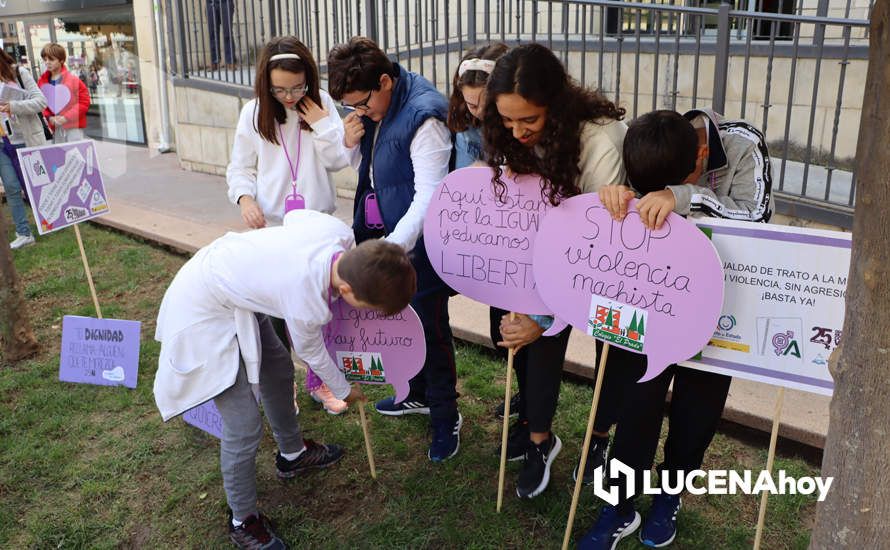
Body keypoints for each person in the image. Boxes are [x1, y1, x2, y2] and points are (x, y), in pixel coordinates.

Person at [153, 209, 416, 549]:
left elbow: (295, 218)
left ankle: (292, 455)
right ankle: (242, 519)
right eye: (368, 307)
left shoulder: (337, 233)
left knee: (276, 365)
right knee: (244, 426)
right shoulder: (305, 299)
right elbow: (312, 354)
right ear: (347, 288)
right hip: (203, 307)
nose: (366, 315)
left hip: (238, 286)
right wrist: (344, 389)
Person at [578, 109, 773, 549]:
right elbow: (625, 212)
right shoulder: (649, 142)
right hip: (650, 302)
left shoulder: (744, 146)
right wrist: (615, 194)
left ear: (701, 158)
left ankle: (670, 494)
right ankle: (620, 504)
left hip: (720, 306)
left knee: (696, 411)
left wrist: (683, 197)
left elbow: (759, 217)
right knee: (634, 404)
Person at [481, 43, 628, 499]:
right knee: (517, 326)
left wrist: (546, 318)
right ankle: (539, 437)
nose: (517, 131)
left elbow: (593, 251)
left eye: (529, 120)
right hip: (548, 251)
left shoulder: (600, 141)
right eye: (507, 120)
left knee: (615, 349)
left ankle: (600, 438)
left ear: (556, 105)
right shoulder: (510, 133)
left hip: (610, 261)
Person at [326, 37, 459, 462]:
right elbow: (369, 170)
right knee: (402, 327)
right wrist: (349, 141)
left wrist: (388, 250)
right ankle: (416, 394)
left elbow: (429, 196)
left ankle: (445, 416)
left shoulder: (425, 116)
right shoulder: (374, 106)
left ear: (385, 81)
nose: (359, 112)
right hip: (384, 240)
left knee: (431, 331)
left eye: (362, 103)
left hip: (413, 249)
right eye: (351, 107)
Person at [226, 36, 351, 415]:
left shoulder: (321, 103)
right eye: (279, 89)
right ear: (266, 82)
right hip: (274, 229)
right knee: (277, 315)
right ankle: (284, 389)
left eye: (297, 87)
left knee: (321, 312)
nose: (289, 96)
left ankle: (322, 383)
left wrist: (324, 126)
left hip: (317, 229)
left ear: (309, 79)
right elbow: (240, 167)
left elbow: (337, 160)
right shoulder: (253, 113)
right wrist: (245, 199)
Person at [0, 49, 47, 249]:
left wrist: (13, 106)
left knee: (34, 185)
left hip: (24, 139)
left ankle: (50, 220)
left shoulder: (18, 72)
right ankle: (24, 233)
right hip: (2, 143)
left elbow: (41, 102)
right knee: (11, 186)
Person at [447, 43, 508, 170]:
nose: (481, 112)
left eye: (489, 106)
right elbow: (462, 182)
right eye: (472, 106)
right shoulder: (467, 126)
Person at [37, 43, 90, 143]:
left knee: (75, 155)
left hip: (73, 128)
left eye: (51, 59)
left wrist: (66, 117)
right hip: (55, 128)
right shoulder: (42, 82)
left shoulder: (74, 80)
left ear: (61, 60)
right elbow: (41, 103)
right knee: (59, 156)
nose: (47, 62)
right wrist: (49, 117)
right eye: (45, 59)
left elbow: (84, 102)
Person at [207, 0, 236, 70]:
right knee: (212, 33)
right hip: (210, 2)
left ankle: (230, 61)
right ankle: (214, 61)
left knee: (227, 32)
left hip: (226, 2)